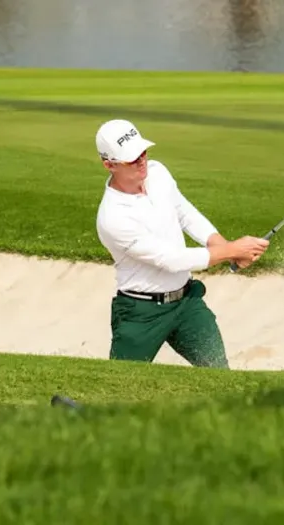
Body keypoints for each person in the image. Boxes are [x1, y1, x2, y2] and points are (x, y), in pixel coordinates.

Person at [93, 118, 269, 368]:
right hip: (141, 313)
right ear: (109, 164)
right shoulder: (113, 217)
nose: (141, 160)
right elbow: (171, 259)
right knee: (119, 384)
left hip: (186, 304)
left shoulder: (157, 172)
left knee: (218, 372)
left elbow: (184, 212)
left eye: (143, 152)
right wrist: (232, 250)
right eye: (132, 158)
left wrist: (222, 244)